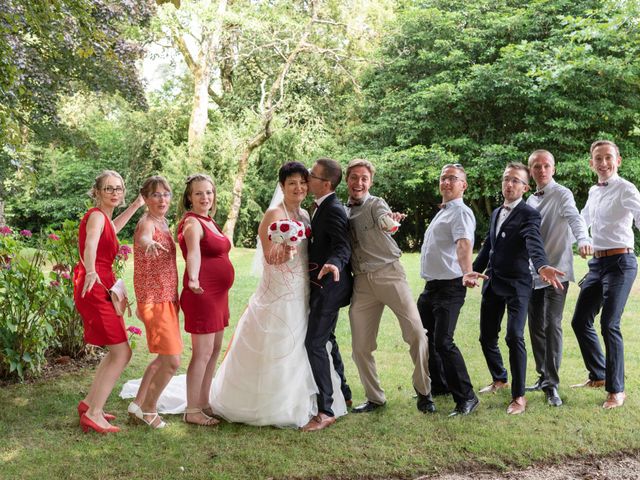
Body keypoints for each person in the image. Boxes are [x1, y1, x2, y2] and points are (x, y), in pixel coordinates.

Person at [211, 161, 347, 428]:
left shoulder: (306, 215)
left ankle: (303, 400)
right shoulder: (274, 213)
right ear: (282, 186)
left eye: (302, 182)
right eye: (291, 183)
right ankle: (268, 404)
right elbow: (269, 257)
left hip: (302, 289)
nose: (298, 187)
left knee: (302, 344)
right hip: (278, 291)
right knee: (276, 342)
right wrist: (284, 251)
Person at [473, 162, 565, 415]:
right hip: (493, 284)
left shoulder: (529, 214)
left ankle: (519, 396)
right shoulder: (495, 213)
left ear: (525, 187)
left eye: (515, 180)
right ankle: (499, 377)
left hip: (517, 285)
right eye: (506, 179)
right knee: (487, 336)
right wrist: (472, 270)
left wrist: (542, 265)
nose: (509, 184)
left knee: (514, 336)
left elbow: (533, 242)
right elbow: (488, 248)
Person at [345, 158, 434, 415]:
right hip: (362, 283)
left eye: (364, 178)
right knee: (360, 346)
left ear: (370, 182)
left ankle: (424, 392)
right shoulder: (343, 210)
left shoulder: (376, 204)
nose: (359, 182)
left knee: (417, 334)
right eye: (354, 177)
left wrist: (391, 222)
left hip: (390, 275)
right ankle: (375, 398)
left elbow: (387, 221)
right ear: (348, 180)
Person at [73, 170, 144, 433]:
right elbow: (91, 243)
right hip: (95, 284)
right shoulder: (95, 216)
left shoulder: (103, 218)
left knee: (117, 351)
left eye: (119, 189)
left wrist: (136, 205)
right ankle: (93, 413)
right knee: (122, 351)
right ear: (97, 192)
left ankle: (91, 403)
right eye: (108, 189)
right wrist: (91, 269)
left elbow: (111, 231)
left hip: (101, 283)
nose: (115, 193)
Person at [570, 140, 640, 409]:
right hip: (596, 265)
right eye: (598, 158)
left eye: (608, 157)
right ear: (591, 163)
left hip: (621, 263)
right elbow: (582, 220)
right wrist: (575, 240)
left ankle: (616, 390)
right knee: (580, 321)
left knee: (610, 323)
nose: (603, 163)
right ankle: (598, 375)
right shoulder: (593, 191)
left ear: (618, 160)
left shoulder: (626, 188)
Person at [417, 164, 487, 417]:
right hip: (431, 287)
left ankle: (467, 397)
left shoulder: (460, 212)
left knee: (444, 342)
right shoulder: (444, 211)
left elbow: (464, 243)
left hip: (450, 287)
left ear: (463, 185)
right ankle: (440, 385)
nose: (446, 182)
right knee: (427, 337)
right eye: (443, 178)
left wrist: (468, 271)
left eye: (453, 179)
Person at [525, 151, 592, 407]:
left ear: (553, 168)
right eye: (536, 166)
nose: (542, 170)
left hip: (558, 272)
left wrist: (584, 239)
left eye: (546, 166)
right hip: (533, 274)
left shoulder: (562, 194)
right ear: (531, 171)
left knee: (552, 324)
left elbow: (575, 218)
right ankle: (543, 376)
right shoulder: (529, 201)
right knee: (535, 326)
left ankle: (552, 385)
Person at [177, 173, 234, 426]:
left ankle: (204, 401)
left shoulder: (209, 221)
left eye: (209, 192)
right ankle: (192, 410)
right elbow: (193, 254)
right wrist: (193, 279)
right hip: (202, 293)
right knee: (202, 353)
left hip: (218, 295)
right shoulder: (192, 224)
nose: (205, 197)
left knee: (214, 350)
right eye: (199, 193)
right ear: (190, 197)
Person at [301, 158, 353, 432]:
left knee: (315, 344)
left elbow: (342, 246)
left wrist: (334, 263)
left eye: (312, 174)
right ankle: (344, 392)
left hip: (329, 287)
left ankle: (326, 410)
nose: (307, 177)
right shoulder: (322, 206)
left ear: (326, 183)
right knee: (327, 339)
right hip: (323, 285)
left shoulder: (333, 209)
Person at [126, 176, 182, 429]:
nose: (162, 199)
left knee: (162, 357)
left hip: (167, 296)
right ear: (146, 199)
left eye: (166, 194)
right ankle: (149, 409)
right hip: (155, 298)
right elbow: (144, 238)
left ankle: (137, 404)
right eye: (156, 195)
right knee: (172, 361)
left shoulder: (164, 221)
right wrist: (149, 243)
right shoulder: (147, 222)